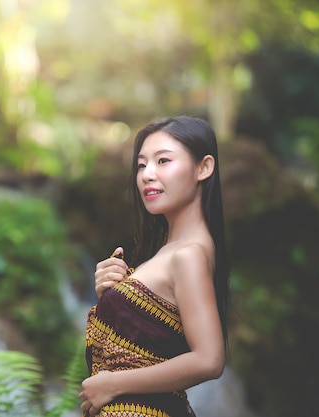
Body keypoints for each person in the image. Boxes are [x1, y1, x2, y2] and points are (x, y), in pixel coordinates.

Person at [78, 116, 230, 417]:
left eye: (163, 161)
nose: (148, 174)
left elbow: (209, 359)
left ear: (204, 167)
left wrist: (113, 384)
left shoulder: (189, 255)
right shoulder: (173, 252)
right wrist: (112, 292)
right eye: (141, 164)